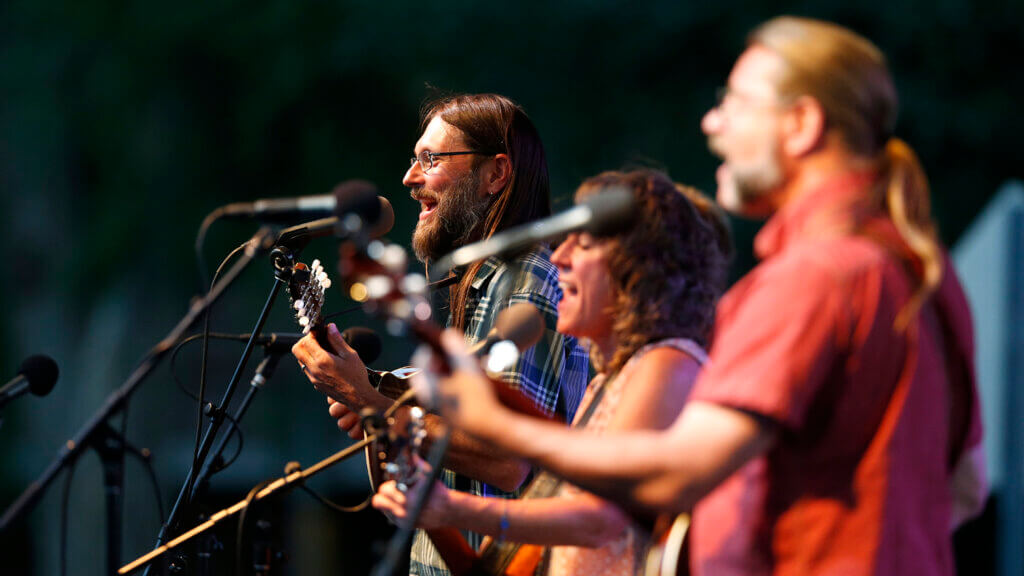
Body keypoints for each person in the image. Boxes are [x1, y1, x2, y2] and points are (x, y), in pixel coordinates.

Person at [416, 17, 987, 576]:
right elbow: (965, 488)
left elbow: (679, 471)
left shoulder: (815, 276)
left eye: (733, 103)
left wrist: (494, 424)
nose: (712, 123)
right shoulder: (920, 269)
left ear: (802, 124)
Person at [372, 169, 730, 575]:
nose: (558, 256)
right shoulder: (611, 380)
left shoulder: (666, 361)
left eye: (585, 244)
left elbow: (600, 519)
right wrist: (433, 508)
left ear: (640, 267)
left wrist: (456, 507)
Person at [291, 93, 589, 575]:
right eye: (414, 159)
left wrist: (370, 401)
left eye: (429, 159)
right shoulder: (483, 285)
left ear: (496, 173)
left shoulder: (525, 277)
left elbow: (507, 461)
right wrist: (377, 410)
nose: (409, 178)